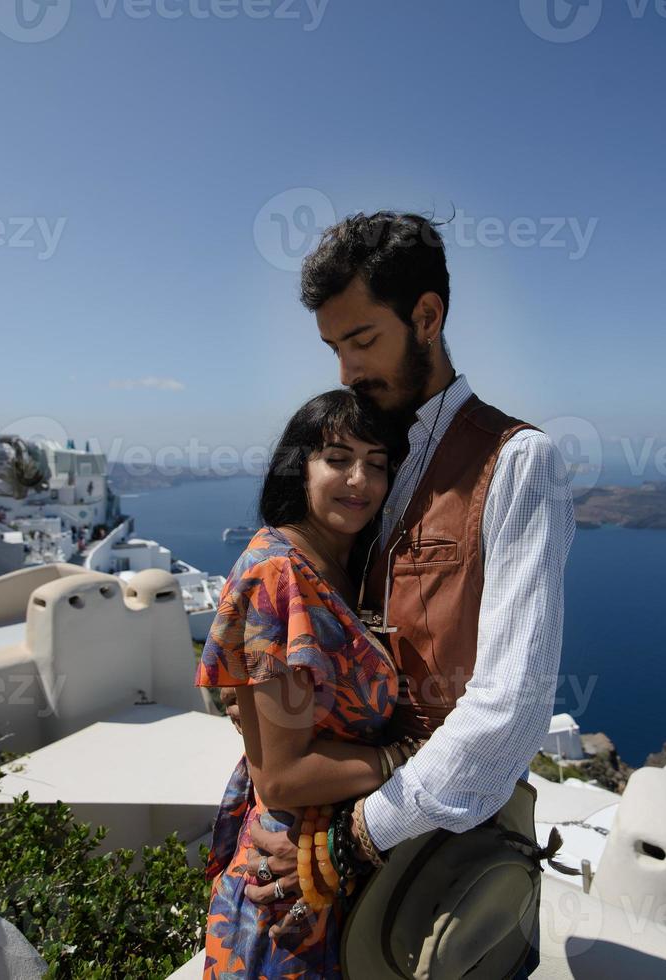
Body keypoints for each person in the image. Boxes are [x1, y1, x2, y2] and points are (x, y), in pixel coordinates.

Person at [242, 211, 577, 977]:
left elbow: (512, 703)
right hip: (342, 823)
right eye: (334, 348)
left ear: (427, 317)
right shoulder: (372, 464)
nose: (347, 372)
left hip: (435, 841)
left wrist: (360, 834)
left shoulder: (517, 461)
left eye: (363, 341)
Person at [195, 388, 416, 978]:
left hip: (327, 862)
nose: (359, 480)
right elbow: (285, 776)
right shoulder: (280, 578)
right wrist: (406, 759)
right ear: (301, 465)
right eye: (338, 458)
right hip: (286, 897)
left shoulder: (344, 564)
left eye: (376, 462)